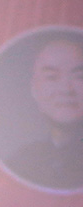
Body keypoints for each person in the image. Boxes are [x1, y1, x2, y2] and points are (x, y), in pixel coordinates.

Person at [6, 37, 83, 190]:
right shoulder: (22, 163)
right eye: (51, 77)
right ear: (34, 90)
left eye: (79, 77)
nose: (66, 89)